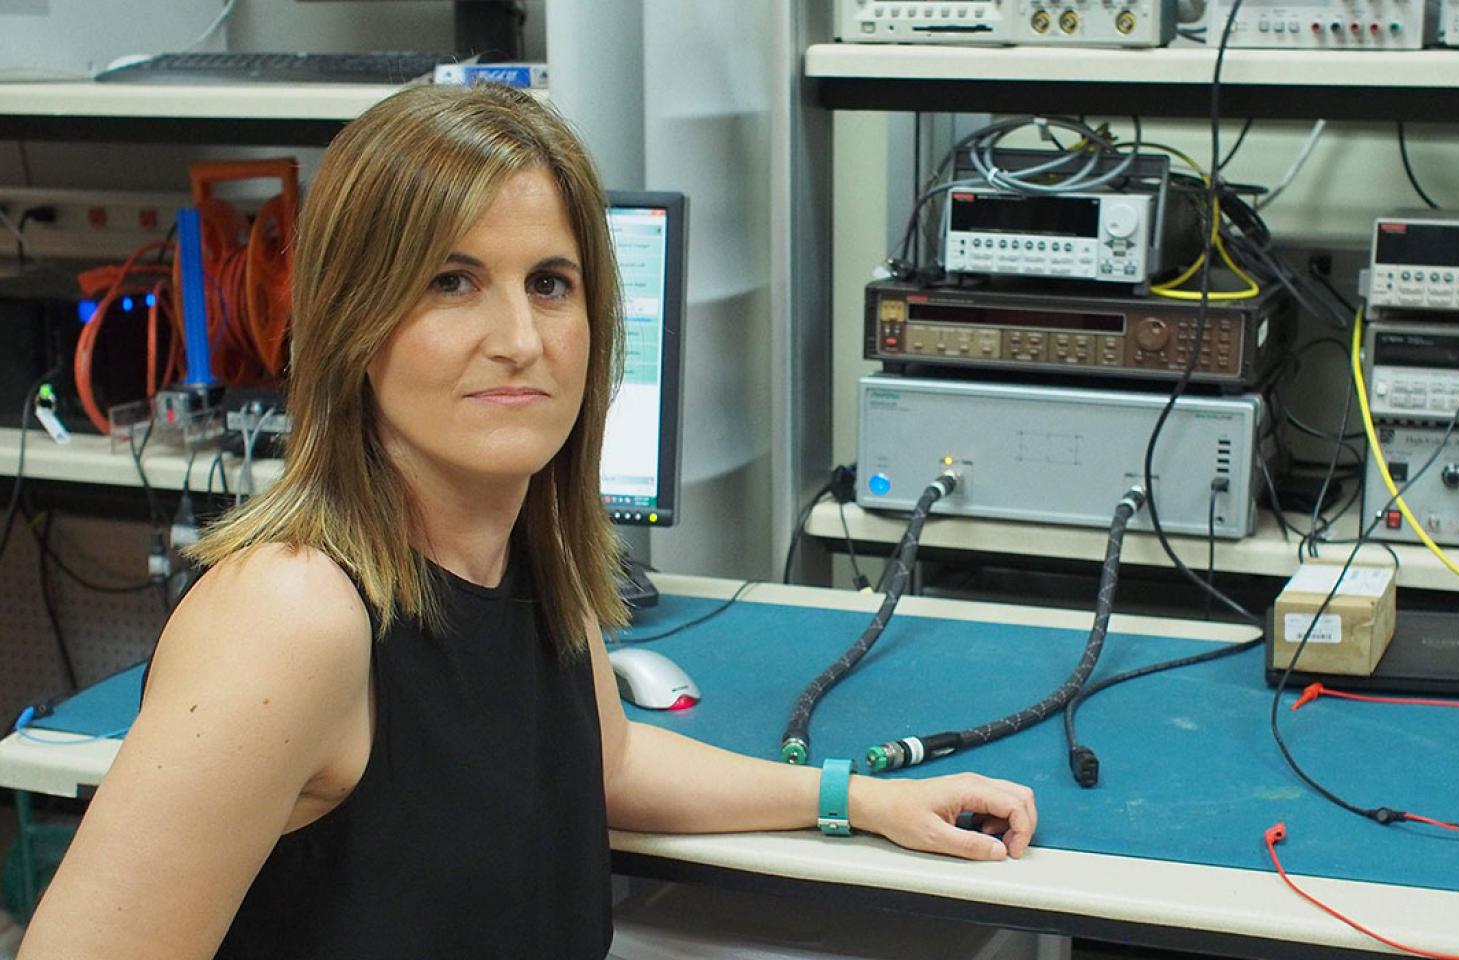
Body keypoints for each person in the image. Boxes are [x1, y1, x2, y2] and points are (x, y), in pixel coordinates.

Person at [18, 84, 1037, 959]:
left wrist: (857, 801)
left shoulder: (526, 563)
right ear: (351, 322)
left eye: (549, 284)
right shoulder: (290, 615)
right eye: (450, 282)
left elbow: (615, 763)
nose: (519, 339)